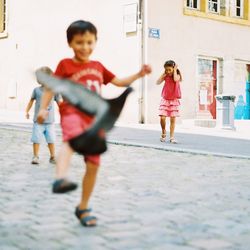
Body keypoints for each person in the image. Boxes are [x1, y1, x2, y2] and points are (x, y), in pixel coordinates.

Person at [37, 20, 152, 227]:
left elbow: (119, 82)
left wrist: (139, 74)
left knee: (93, 165)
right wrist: (44, 108)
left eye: (90, 42)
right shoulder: (65, 65)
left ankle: (83, 207)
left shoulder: (97, 66)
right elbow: (49, 89)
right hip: (72, 113)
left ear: (95, 42)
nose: (85, 47)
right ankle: (60, 178)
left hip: (94, 121)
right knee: (71, 141)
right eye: (80, 42)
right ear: (70, 43)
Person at [25, 67, 61, 164]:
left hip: (50, 122)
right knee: (36, 139)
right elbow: (31, 101)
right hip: (38, 121)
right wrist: (27, 111)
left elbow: (60, 102)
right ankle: (35, 156)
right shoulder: (36, 90)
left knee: (51, 140)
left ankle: (53, 156)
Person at [156, 60, 182, 144]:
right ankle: (163, 131)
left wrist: (175, 70)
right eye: (166, 70)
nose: (168, 71)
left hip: (173, 100)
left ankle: (171, 137)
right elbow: (157, 82)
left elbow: (175, 79)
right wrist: (163, 74)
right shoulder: (165, 76)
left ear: (173, 68)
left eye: (169, 70)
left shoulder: (177, 76)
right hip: (165, 100)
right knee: (162, 117)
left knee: (172, 119)